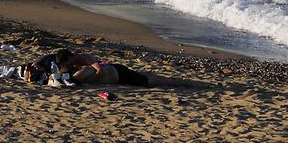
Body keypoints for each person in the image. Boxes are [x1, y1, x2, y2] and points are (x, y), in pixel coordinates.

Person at [47, 49, 203, 88]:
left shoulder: (84, 58)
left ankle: (188, 83)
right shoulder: (70, 63)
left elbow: (98, 69)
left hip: (118, 73)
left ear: (70, 58)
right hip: (114, 73)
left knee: (151, 81)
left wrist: (90, 82)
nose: (64, 67)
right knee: (147, 75)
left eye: (65, 65)